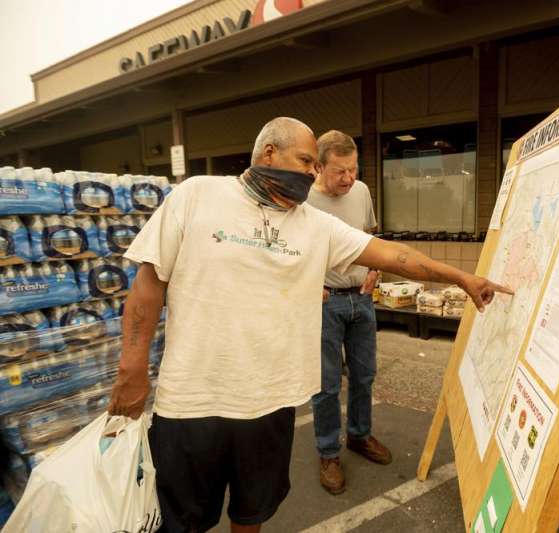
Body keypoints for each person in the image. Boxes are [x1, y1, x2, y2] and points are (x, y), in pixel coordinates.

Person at [108, 116, 511, 533]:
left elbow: (394, 256)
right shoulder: (197, 195)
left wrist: (463, 278)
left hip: (270, 402)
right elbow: (149, 283)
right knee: (181, 521)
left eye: (316, 166)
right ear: (269, 153)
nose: (312, 173)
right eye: (305, 160)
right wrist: (133, 366)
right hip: (191, 403)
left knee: (253, 512)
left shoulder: (315, 225)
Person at [305, 130, 383, 495]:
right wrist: (309, 281)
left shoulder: (362, 191)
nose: (349, 179)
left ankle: (359, 436)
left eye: (354, 169)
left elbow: (370, 236)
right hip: (323, 303)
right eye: (341, 172)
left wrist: (374, 270)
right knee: (326, 384)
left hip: (361, 298)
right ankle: (328, 452)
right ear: (319, 166)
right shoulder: (303, 199)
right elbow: (287, 249)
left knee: (365, 375)